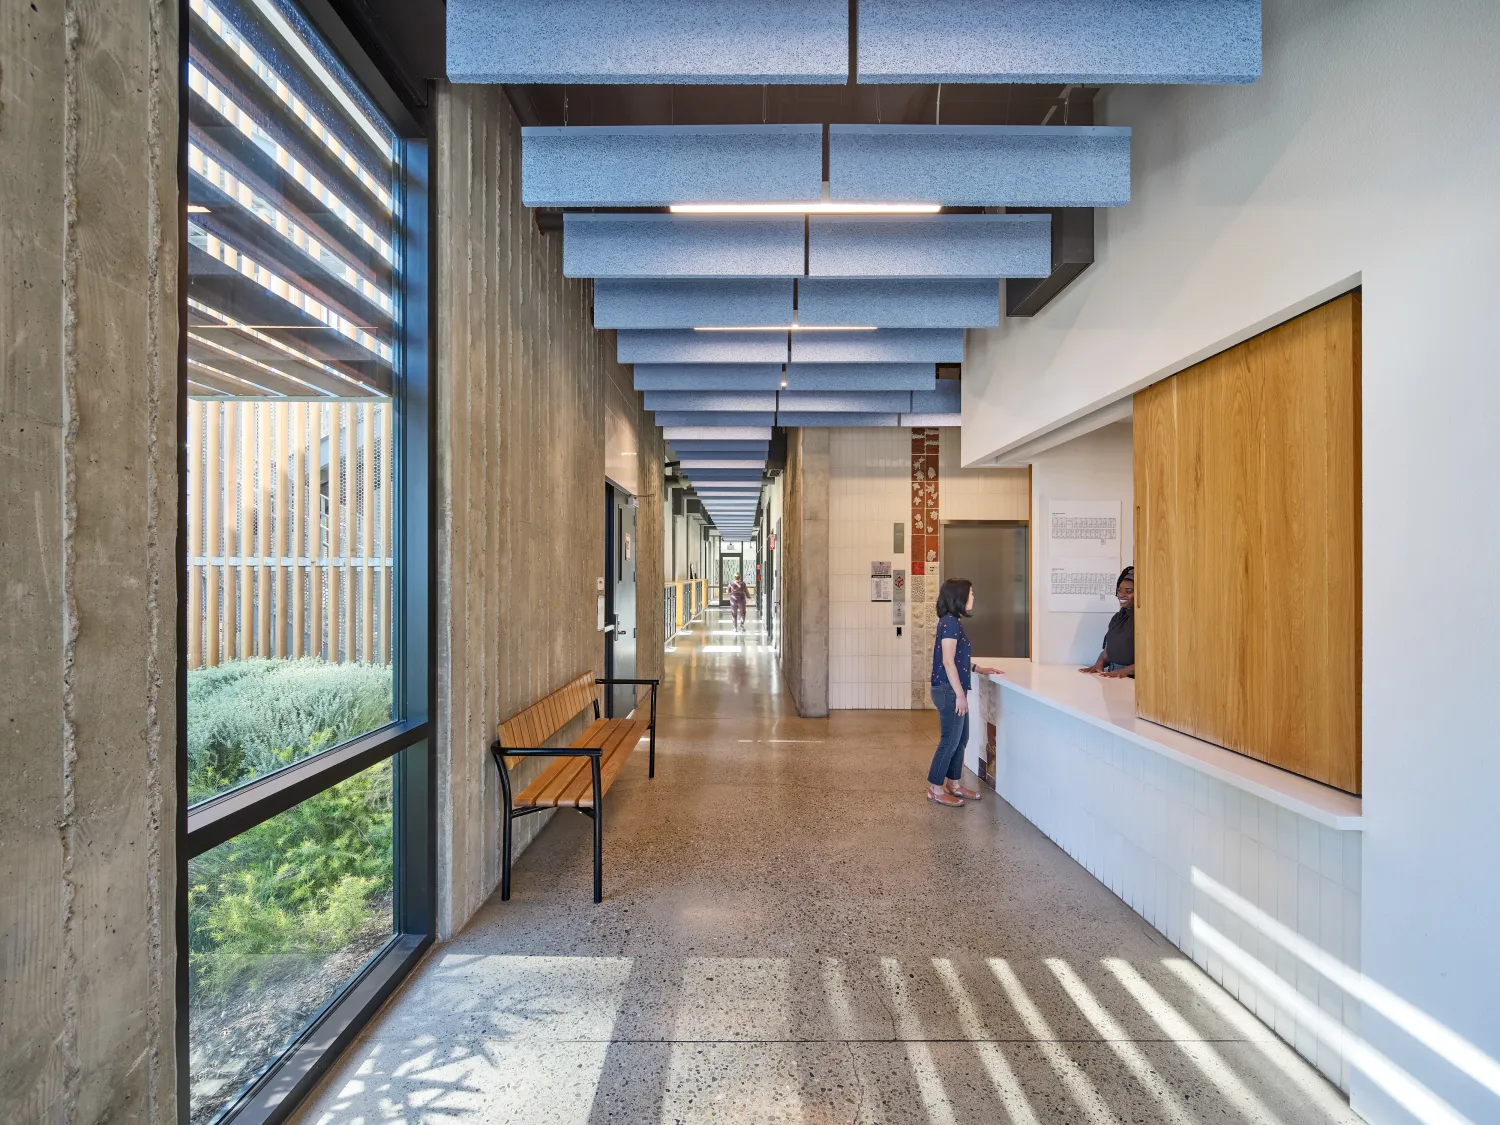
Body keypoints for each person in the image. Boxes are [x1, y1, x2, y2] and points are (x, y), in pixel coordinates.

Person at [927, 578, 1004, 807]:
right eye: (971, 593)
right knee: (950, 740)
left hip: (952, 688)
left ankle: (954, 784)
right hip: (949, 690)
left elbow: (957, 660)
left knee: (961, 739)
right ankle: (935, 788)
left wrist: (978, 668)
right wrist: (960, 695)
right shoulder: (949, 623)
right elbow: (948, 662)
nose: (974, 597)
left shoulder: (952, 622)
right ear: (959, 597)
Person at [1080, 566, 1135, 678]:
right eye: (1119, 590)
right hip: (1112, 674)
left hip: (1130, 678)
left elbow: (1151, 659)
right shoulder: (1118, 617)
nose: (1122, 595)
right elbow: (1110, 647)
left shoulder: (1144, 621)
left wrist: (1123, 671)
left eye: (1128, 591)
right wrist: (1099, 663)